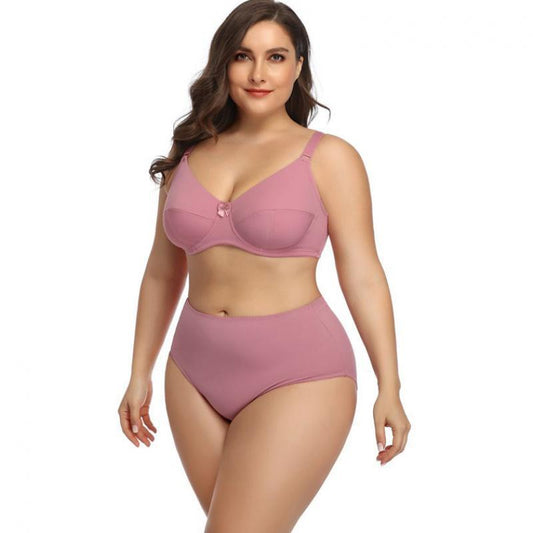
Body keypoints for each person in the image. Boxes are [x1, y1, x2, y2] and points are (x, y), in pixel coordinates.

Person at [118, 0, 411, 530]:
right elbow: (162, 272)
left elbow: (364, 274)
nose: (258, 73)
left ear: (298, 66)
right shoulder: (187, 154)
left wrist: (389, 384)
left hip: (300, 373)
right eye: (242, 56)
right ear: (222, 64)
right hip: (192, 375)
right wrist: (139, 372)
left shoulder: (330, 157)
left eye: (275, 57)